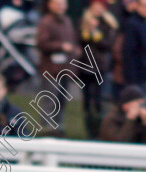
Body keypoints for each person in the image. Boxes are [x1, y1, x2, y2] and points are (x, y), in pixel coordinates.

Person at [37, 0, 79, 133]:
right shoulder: (46, 22)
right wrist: (60, 46)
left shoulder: (67, 21)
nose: (60, 6)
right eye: (57, 3)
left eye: (62, 3)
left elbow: (72, 40)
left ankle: (58, 129)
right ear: (50, 5)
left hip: (65, 69)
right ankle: (46, 129)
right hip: (51, 70)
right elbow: (41, 43)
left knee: (62, 101)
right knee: (50, 101)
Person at [79, 0, 119, 139]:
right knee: (87, 100)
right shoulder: (83, 21)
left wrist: (96, 34)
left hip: (101, 67)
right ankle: (89, 130)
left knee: (99, 101)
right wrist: (87, 31)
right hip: (85, 67)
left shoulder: (108, 24)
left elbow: (108, 44)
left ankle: (99, 131)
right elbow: (80, 41)